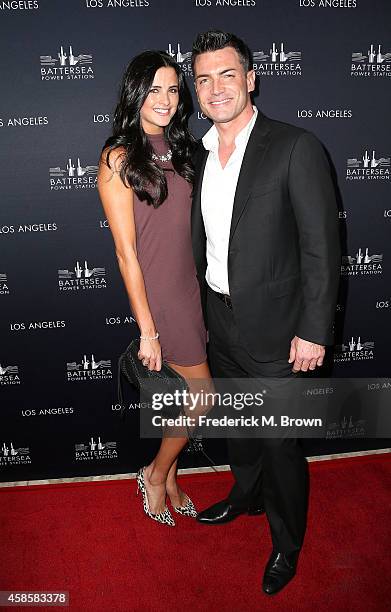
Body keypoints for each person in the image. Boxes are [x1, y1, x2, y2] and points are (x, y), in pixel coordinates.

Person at [190, 31, 341, 594]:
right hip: (220, 318)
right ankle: (243, 495)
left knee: (280, 444)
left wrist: (313, 330)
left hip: (280, 330)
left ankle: (287, 543)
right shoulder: (198, 153)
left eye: (227, 74)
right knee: (242, 430)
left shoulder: (294, 145)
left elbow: (321, 248)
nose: (215, 88)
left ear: (251, 79)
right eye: (203, 78)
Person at [97, 50, 211, 527]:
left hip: (195, 287)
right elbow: (126, 254)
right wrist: (147, 328)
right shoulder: (119, 156)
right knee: (202, 397)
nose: (165, 99)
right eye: (154, 89)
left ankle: (172, 475)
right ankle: (154, 472)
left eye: (173, 89)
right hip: (163, 296)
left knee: (185, 397)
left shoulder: (183, 147)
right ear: (135, 92)